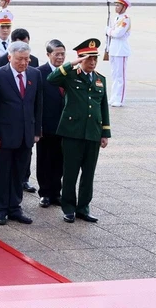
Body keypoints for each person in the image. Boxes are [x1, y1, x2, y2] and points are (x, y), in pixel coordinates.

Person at [47, 38, 110, 224]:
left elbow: (103, 107)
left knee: (88, 174)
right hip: (72, 133)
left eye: (95, 59)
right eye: (89, 59)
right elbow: (51, 79)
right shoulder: (70, 76)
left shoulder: (100, 79)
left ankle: (83, 207)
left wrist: (105, 133)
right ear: (80, 59)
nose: (92, 62)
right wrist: (71, 64)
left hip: (93, 133)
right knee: (70, 173)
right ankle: (68, 208)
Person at [0, 41, 42, 226]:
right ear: (9, 57)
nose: (23, 63)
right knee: (1, 173)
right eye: (19, 59)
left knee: (19, 173)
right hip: (4, 135)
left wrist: (36, 131)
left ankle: (15, 207)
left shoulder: (34, 74)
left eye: (27, 59)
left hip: (26, 134)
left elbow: (38, 105)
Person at [37, 40, 67, 208]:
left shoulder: (68, 72)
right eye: (57, 54)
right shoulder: (39, 73)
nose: (60, 57)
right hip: (46, 126)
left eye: (63, 54)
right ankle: (45, 193)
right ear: (48, 54)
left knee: (60, 160)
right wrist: (37, 126)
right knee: (45, 160)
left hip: (64, 126)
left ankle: (56, 193)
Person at [106, 0, 131, 107]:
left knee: (120, 76)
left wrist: (108, 31)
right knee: (114, 75)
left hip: (121, 50)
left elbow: (118, 33)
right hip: (114, 49)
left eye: (118, 5)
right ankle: (113, 97)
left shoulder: (125, 19)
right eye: (116, 5)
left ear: (124, 7)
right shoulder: (117, 18)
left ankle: (119, 99)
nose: (116, 7)